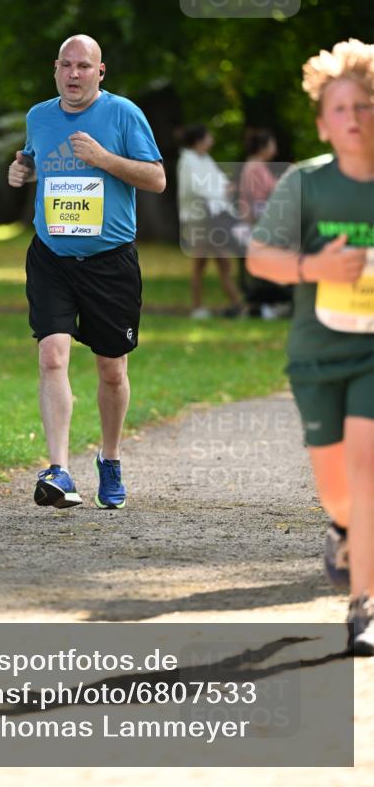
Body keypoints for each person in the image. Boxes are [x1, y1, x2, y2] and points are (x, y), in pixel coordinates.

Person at [247, 38, 374, 656]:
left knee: (367, 460)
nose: (355, 118)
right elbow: (260, 258)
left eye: (366, 105)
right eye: (342, 109)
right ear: (324, 122)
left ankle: (364, 605)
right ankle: (345, 528)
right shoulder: (307, 184)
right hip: (319, 354)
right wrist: (315, 266)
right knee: (336, 486)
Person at [8, 34, 165, 509]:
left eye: (84, 67)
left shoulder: (123, 115)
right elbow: (41, 160)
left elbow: (156, 178)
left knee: (111, 370)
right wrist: (23, 171)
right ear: (55, 70)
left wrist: (104, 159)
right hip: (52, 256)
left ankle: (111, 459)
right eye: (66, 66)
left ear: (101, 72)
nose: (74, 75)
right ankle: (59, 470)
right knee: (52, 356)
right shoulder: (39, 116)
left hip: (110, 261)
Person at [176, 124, 243, 318]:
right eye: (208, 137)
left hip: (213, 219)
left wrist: (227, 188)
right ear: (199, 140)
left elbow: (218, 181)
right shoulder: (188, 161)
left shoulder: (204, 159)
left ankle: (237, 304)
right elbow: (196, 188)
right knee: (201, 263)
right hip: (198, 219)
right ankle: (198, 307)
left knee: (223, 262)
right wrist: (222, 191)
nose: (211, 140)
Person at [237, 128, 291, 319]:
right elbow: (258, 201)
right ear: (263, 146)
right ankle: (266, 306)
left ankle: (269, 305)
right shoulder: (255, 168)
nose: (275, 148)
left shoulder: (256, 166)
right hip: (258, 225)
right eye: (272, 143)